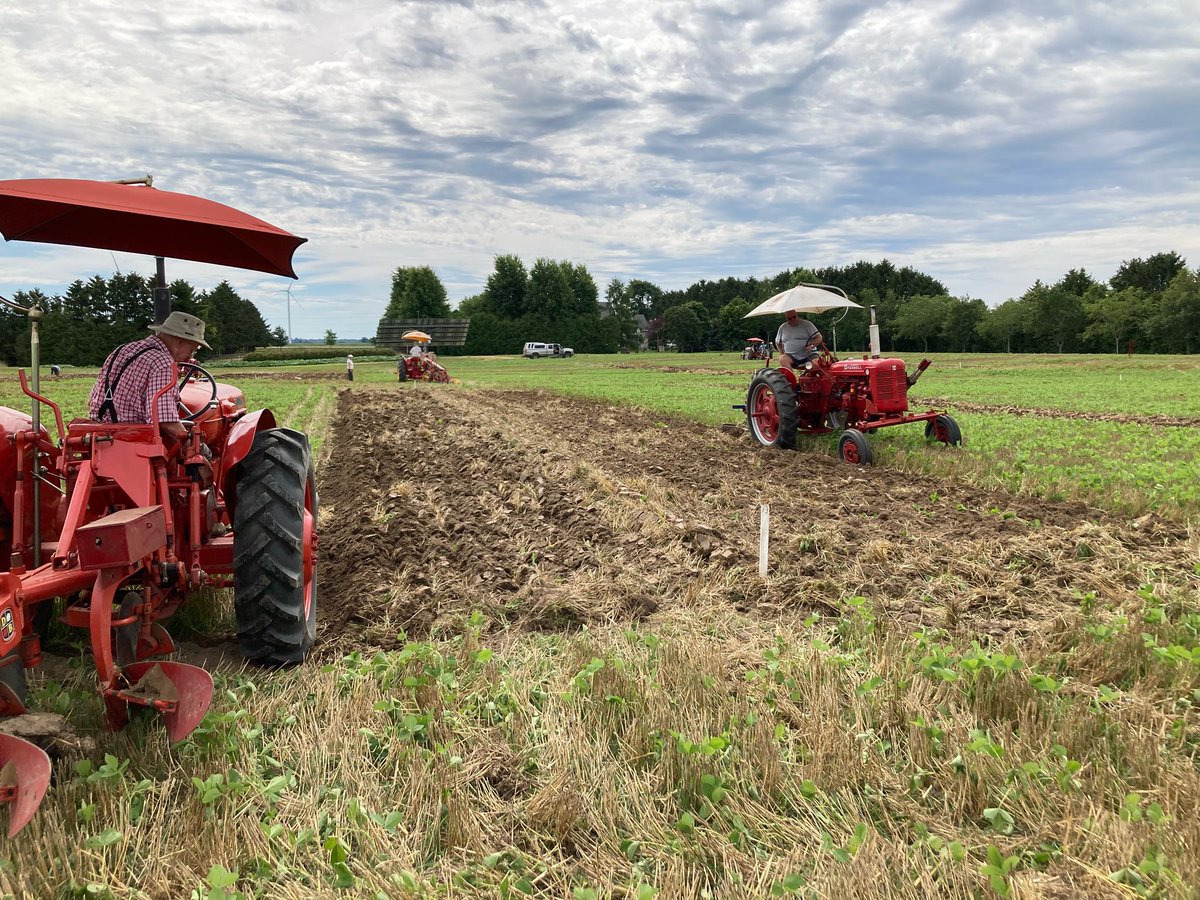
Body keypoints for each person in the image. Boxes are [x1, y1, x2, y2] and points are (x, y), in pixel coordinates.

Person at [87, 310, 210, 443]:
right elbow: (165, 420)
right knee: (198, 455)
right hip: (133, 439)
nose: (189, 357)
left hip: (97, 435)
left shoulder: (122, 350)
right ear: (180, 342)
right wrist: (191, 445)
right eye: (192, 350)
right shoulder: (162, 362)